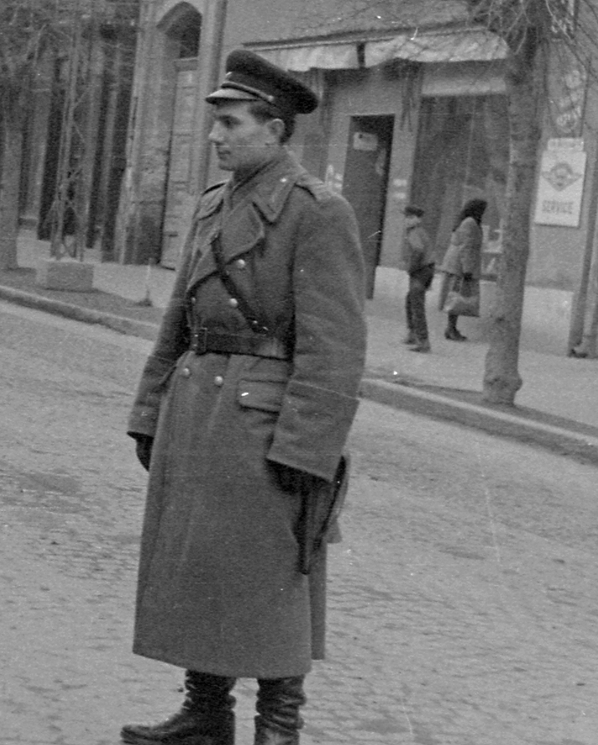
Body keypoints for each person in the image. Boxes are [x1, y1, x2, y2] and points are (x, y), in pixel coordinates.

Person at [122, 50, 366, 745]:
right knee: (203, 566)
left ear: (276, 128)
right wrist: (149, 409)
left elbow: (336, 345)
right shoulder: (212, 206)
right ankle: (205, 712)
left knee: (272, 580)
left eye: (230, 123)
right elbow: (179, 320)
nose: (217, 136)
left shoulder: (317, 212)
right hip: (198, 412)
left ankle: (278, 726)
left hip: (265, 422)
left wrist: (307, 446)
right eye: (216, 124)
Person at [439, 198, 488, 342]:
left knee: (455, 298)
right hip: (459, 266)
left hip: (457, 264)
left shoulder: (466, 221)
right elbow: (466, 247)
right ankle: (451, 328)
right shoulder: (470, 223)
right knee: (456, 298)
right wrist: (467, 270)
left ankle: (451, 328)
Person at [402, 204, 434, 352]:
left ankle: (422, 340)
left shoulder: (414, 233)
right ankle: (413, 333)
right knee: (411, 300)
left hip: (420, 270)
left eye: (411, 217)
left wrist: (411, 268)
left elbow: (418, 250)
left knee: (416, 304)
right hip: (427, 269)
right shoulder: (420, 231)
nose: (407, 220)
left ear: (418, 219)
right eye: (406, 217)